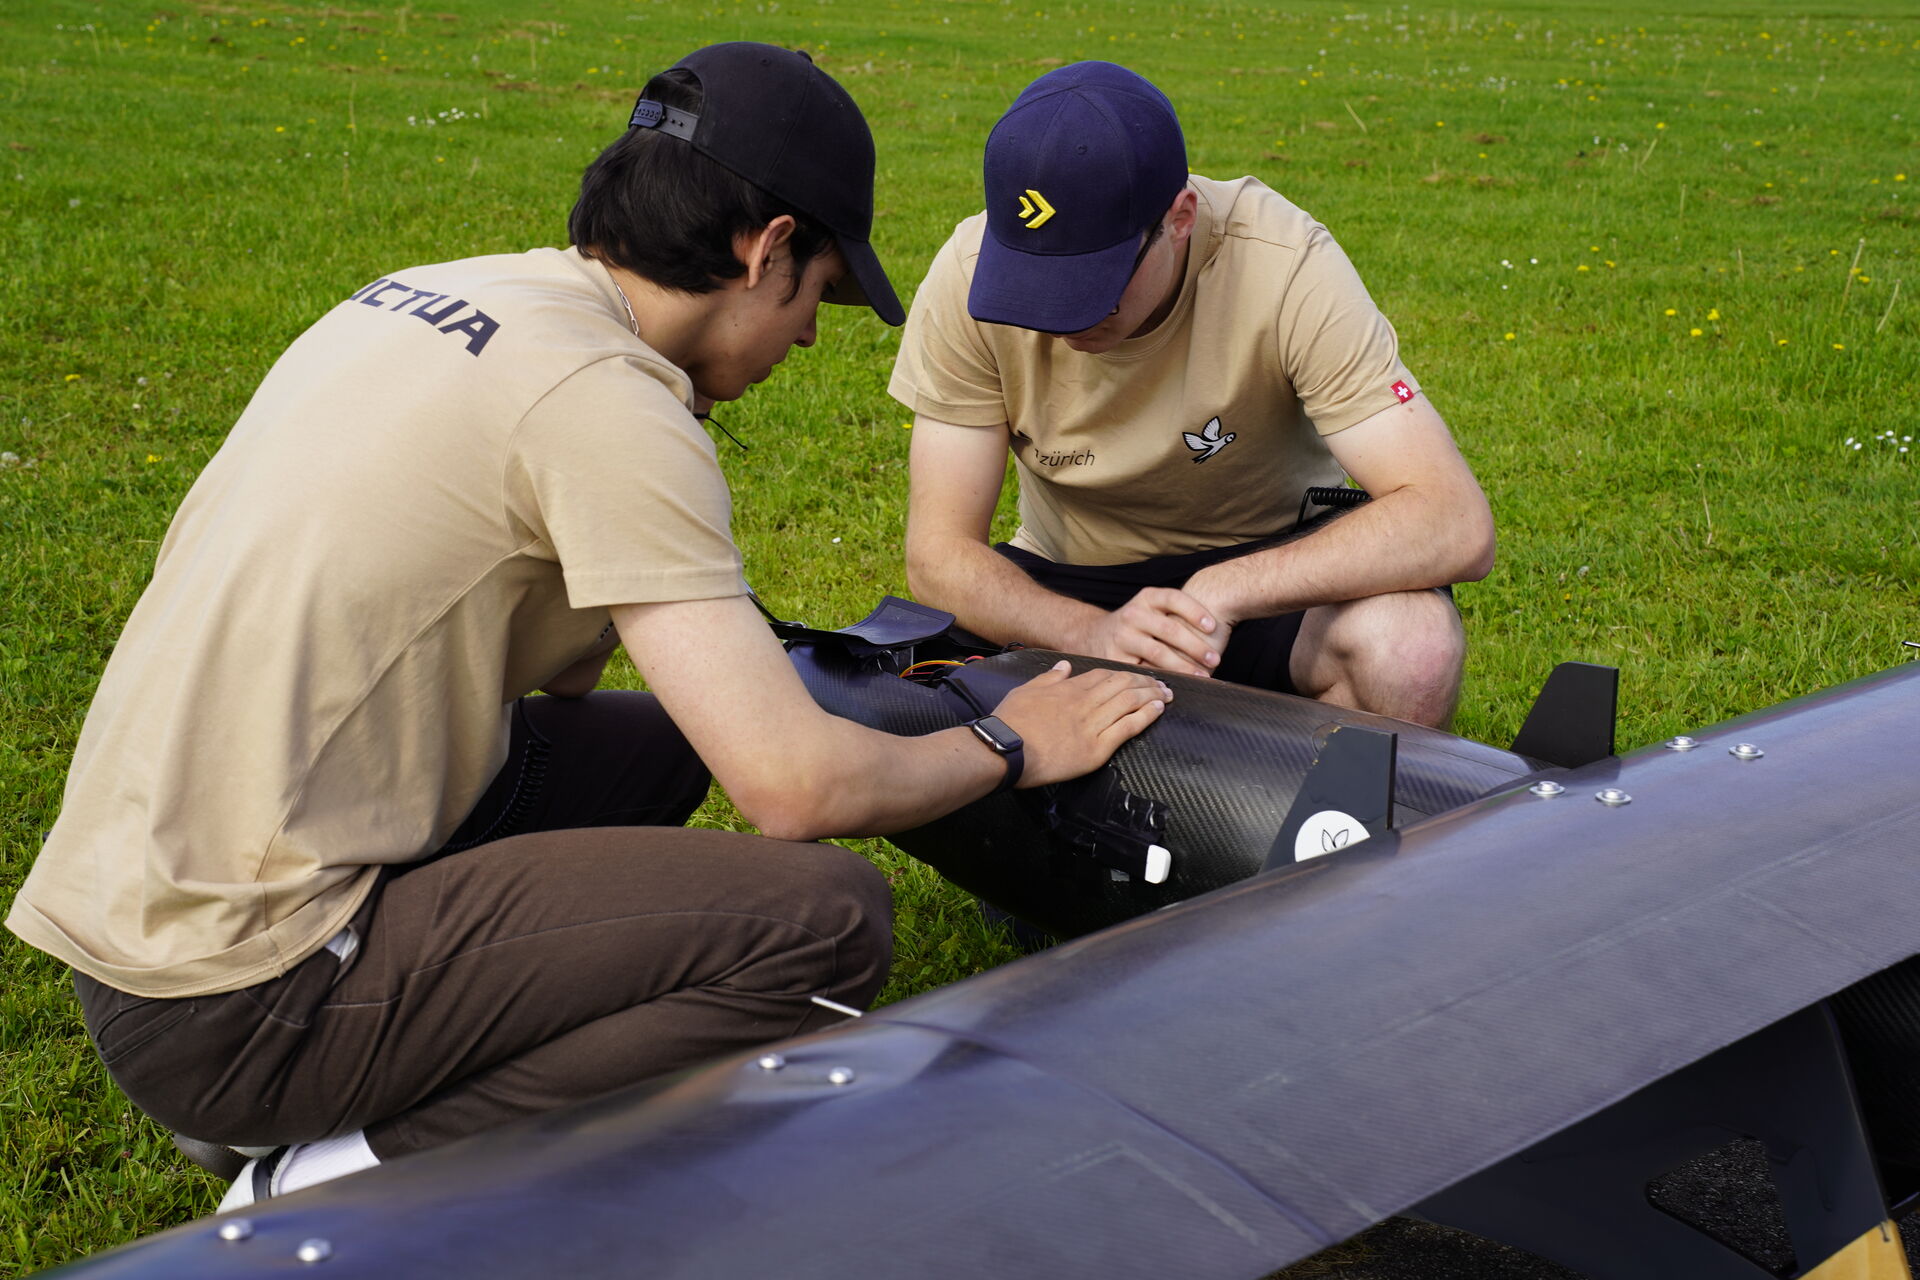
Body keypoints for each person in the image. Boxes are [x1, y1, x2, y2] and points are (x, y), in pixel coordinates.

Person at [5, 43, 1169, 1213]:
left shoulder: (454, 292)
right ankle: (331, 1171)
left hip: (137, 923)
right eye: (817, 295)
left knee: (661, 743)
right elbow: (794, 788)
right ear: (765, 252)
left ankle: (382, 1047)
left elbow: (562, 678)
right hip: (241, 994)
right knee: (824, 923)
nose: (808, 337)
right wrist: (1011, 741)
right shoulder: (607, 403)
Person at [891, 61, 1495, 729]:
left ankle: (1344, 826)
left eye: (1094, 285)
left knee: (1412, 647)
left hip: (1270, 563)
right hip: (1070, 575)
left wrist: (1225, 591)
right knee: (908, 699)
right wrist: (1090, 633)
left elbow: (1452, 520)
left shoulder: (1282, 261)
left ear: (1179, 218)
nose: (1057, 318)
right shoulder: (968, 277)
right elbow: (940, 554)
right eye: (1033, 283)